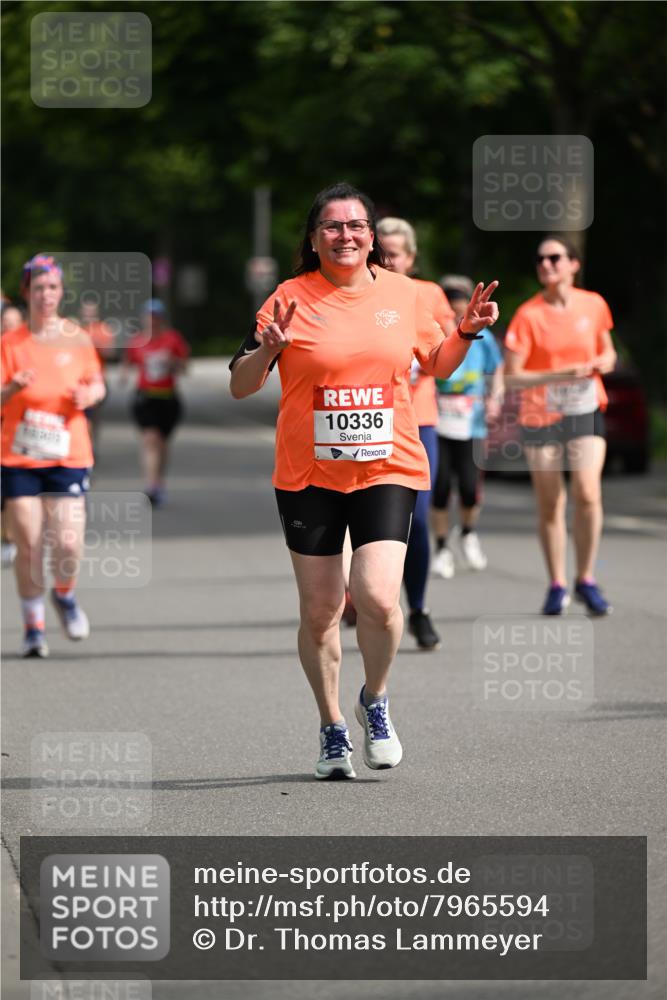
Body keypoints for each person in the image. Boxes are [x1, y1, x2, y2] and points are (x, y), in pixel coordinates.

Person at [229, 182, 499, 779]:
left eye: (355, 225)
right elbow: (241, 384)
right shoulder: (287, 298)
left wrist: (466, 332)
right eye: (331, 226)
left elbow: (437, 364)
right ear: (313, 237)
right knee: (322, 608)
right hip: (307, 473)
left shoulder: (407, 295)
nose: (344, 235)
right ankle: (331, 728)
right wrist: (265, 353)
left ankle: (374, 699)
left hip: (387, 464)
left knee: (377, 597)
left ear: (372, 236)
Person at [504, 236, 617, 615]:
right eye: (540, 259)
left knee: (587, 492)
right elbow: (513, 377)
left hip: (584, 407)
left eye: (554, 258)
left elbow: (609, 351)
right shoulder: (528, 315)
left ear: (573, 264)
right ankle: (556, 583)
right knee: (551, 501)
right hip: (540, 414)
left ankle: (585, 578)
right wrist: (560, 373)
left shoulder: (594, 304)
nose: (546, 265)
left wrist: (603, 362)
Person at [1, 254, 105, 657]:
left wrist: (90, 395)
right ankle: (33, 626)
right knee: (27, 542)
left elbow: (97, 384)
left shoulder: (76, 337)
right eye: (39, 287)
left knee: (67, 542)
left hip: (68, 452)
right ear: (27, 292)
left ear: (61, 293)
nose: (46, 295)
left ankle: (64, 595)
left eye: (53, 288)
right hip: (18, 455)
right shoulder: (9, 344)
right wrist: (10, 389)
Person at [376, 216, 456, 650]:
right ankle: (366, 599)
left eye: (396, 254)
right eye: (381, 252)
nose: (388, 261)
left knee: (418, 519)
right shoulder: (359, 291)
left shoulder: (427, 294)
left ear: (411, 257)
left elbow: (442, 353)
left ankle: (419, 608)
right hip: (365, 419)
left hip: (417, 419)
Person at [431, 275, 504, 578]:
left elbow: (497, 367)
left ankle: (468, 533)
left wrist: (496, 397)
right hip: (438, 423)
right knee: (441, 487)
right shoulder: (433, 333)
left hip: (472, 425)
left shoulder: (482, 337)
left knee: (470, 490)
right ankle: (442, 548)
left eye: (460, 297)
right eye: (449, 297)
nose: (455, 302)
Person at [122, 299, 190, 506]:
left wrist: (173, 363)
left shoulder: (173, 339)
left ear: (162, 320)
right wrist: (124, 375)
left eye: (156, 318)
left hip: (168, 397)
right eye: (149, 318)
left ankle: (159, 482)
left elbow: (185, 368)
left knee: (162, 444)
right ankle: (151, 485)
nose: (152, 322)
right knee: (150, 439)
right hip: (145, 397)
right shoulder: (137, 341)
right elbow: (128, 363)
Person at [78, 295, 116, 458]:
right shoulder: (75, 330)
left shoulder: (103, 329)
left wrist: (96, 342)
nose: (88, 314)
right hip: (78, 382)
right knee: (83, 419)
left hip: (97, 380)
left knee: (93, 418)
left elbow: (112, 353)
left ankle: (91, 446)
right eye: (86, 311)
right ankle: (85, 446)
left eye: (91, 311)